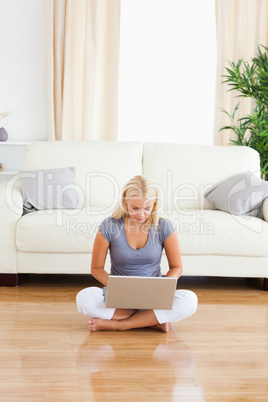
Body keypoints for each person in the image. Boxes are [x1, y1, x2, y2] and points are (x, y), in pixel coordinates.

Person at [76, 175, 198, 332]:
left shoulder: (164, 226)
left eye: (147, 208)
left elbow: (177, 266)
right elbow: (96, 268)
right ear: (125, 201)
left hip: (153, 297)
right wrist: (117, 287)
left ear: (154, 204)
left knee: (190, 300)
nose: (141, 214)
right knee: (84, 298)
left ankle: (121, 324)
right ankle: (148, 320)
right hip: (119, 297)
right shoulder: (109, 225)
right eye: (135, 208)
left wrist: (163, 288)